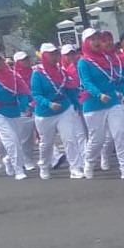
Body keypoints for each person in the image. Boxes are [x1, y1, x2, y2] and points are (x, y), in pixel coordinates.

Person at [77, 28, 124, 180]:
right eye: (92, 39)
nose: (96, 41)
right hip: (93, 104)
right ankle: (89, 161)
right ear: (86, 43)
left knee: (121, 133)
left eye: (97, 38)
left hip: (113, 101)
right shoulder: (83, 62)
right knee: (98, 139)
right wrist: (98, 94)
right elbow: (86, 83)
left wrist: (120, 90)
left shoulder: (107, 58)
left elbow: (113, 77)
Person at [31, 43, 86, 180]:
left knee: (70, 138)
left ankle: (75, 168)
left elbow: (70, 91)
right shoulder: (37, 74)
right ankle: (43, 165)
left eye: (56, 53)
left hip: (64, 109)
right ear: (44, 56)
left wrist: (77, 106)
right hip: (45, 114)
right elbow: (36, 95)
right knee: (47, 143)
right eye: (51, 54)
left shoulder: (62, 72)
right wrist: (48, 103)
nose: (54, 56)